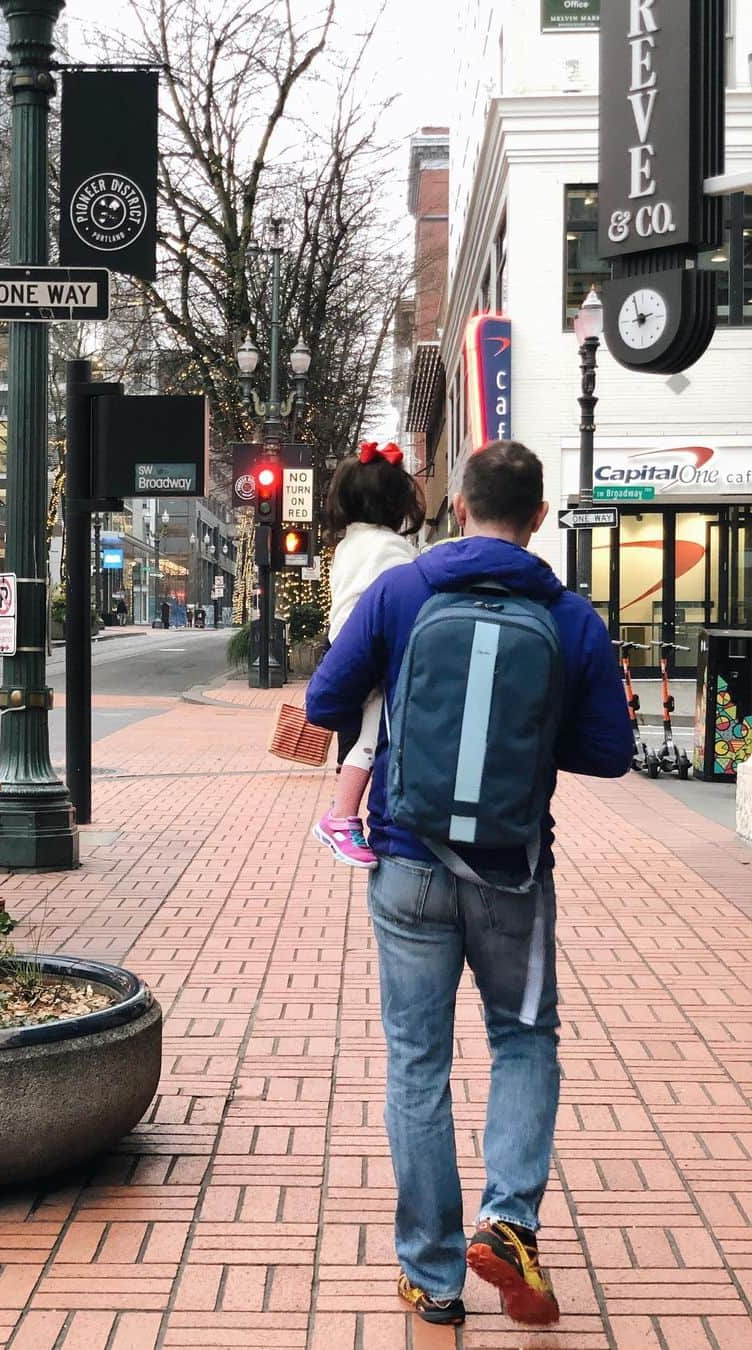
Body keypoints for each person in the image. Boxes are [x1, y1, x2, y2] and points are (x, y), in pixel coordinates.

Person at [306, 441, 633, 1330]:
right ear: (536, 519)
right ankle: (512, 1223)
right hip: (514, 875)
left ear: (456, 508)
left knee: (418, 1063)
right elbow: (611, 753)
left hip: (408, 863)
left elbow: (324, 700)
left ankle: (434, 1277)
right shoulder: (570, 617)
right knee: (525, 1040)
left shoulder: (404, 591)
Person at [311, 441, 422, 869]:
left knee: (365, 735)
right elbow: (406, 594)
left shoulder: (349, 543)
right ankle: (340, 817)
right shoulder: (388, 547)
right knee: (372, 739)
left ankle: (341, 817)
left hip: (345, 644)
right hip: (372, 648)